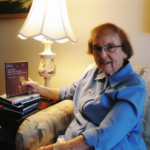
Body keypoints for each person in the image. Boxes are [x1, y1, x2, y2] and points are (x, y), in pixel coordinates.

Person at [22, 23, 147, 150]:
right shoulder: (92, 73)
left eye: (110, 47)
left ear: (125, 52)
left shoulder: (134, 87)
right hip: (71, 143)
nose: (102, 55)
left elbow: (105, 135)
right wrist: (38, 89)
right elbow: (67, 93)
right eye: (97, 48)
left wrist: (57, 148)